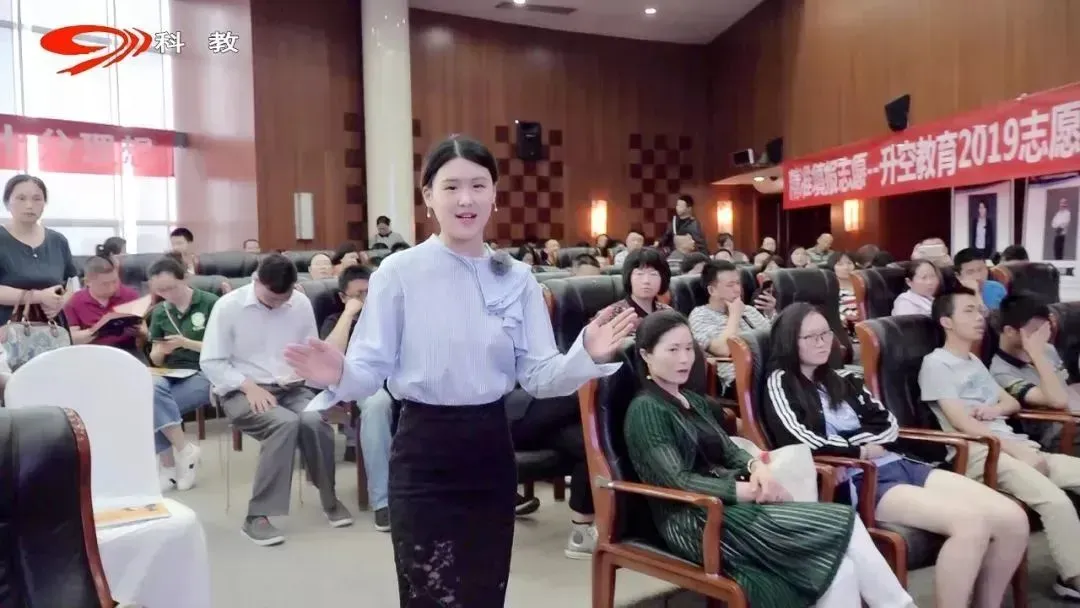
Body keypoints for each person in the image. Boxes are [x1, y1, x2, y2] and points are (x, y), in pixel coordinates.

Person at [282, 135, 635, 606]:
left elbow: (539, 376)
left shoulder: (517, 278)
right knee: (429, 594)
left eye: (478, 185)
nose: (465, 199)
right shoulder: (399, 272)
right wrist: (337, 371)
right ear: (428, 196)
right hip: (423, 450)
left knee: (484, 593)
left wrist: (584, 354)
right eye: (451, 187)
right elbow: (369, 370)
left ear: (494, 195)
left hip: (490, 450)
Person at [625, 310, 915, 608]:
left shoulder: (694, 400)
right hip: (694, 519)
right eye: (673, 350)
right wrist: (748, 490)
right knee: (846, 522)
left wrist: (757, 468)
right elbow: (678, 481)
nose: (685, 359)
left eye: (689, 348)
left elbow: (730, 450)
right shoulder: (646, 409)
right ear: (646, 355)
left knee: (842, 571)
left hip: (731, 507)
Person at [765, 303, 1029, 607]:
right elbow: (803, 440)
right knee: (971, 524)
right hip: (859, 479)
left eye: (825, 333)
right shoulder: (781, 382)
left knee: (1013, 518)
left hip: (898, 462)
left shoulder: (845, 379)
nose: (822, 342)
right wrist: (861, 448)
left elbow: (888, 425)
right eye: (811, 337)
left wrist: (857, 441)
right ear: (789, 341)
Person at [920, 287, 1080, 600]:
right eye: (969, 311)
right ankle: (1073, 576)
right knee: (1055, 501)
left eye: (979, 310)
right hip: (980, 452)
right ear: (946, 322)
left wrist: (993, 410)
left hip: (1010, 444)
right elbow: (962, 423)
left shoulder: (973, 361)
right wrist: (1015, 449)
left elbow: (1011, 403)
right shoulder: (936, 364)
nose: (980, 318)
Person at [201, 253, 352, 546]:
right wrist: (247, 386)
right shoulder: (228, 307)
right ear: (256, 281)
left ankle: (329, 497)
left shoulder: (300, 303)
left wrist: (320, 388)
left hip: (292, 386)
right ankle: (256, 516)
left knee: (313, 418)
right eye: (271, 299)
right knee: (284, 424)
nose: (278, 305)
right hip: (241, 388)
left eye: (284, 300)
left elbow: (308, 351)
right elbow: (212, 362)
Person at [318, 265, 393, 532]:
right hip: (362, 384)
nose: (366, 299)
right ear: (343, 297)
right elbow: (330, 359)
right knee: (377, 404)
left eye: (370, 293)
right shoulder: (336, 320)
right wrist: (350, 314)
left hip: (399, 380)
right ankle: (383, 501)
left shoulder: (389, 316)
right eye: (359, 294)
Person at [146, 256, 215, 492]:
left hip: (205, 370)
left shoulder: (210, 303)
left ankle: (168, 468)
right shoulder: (160, 312)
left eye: (171, 288)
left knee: (152, 406)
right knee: (151, 388)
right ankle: (185, 451)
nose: (167, 295)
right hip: (171, 372)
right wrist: (160, 352)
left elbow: (223, 349)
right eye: (160, 290)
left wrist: (186, 343)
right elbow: (155, 358)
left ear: (185, 278)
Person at [991, 293, 1080, 450]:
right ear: (1010, 331)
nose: (1042, 337)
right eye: (1035, 331)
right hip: (1057, 435)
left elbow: (1067, 387)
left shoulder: (1047, 349)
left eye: (1044, 330)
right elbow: (1058, 401)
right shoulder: (1001, 371)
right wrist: (1037, 355)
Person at [688, 260, 776, 395]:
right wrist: (735, 315)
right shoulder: (700, 315)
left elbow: (775, 339)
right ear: (712, 290)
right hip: (740, 379)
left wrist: (771, 313)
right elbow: (724, 349)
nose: (737, 290)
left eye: (738, 283)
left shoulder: (749, 310)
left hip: (769, 369)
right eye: (730, 285)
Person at [0, 174, 78, 325]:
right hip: (6, 328)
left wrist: (61, 301)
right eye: (21, 198)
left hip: (53, 328)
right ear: (7, 203)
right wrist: (38, 297)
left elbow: (71, 284)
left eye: (37, 199)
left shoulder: (58, 240)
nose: (29, 205)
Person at [63, 256, 143, 356]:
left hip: (126, 351)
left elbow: (145, 331)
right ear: (87, 282)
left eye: (115, 281)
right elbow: (72, 339)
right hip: (91, 353)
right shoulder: (74, 301)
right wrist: (95, 331)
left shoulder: (130, 295)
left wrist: (141, 331)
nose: (112, 288)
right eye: (105, 284)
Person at [593, 247, 672, 336]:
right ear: (628, 277)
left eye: (653, 274)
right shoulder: (610, 315)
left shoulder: (668, 313)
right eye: (639, 274)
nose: (646, 281)